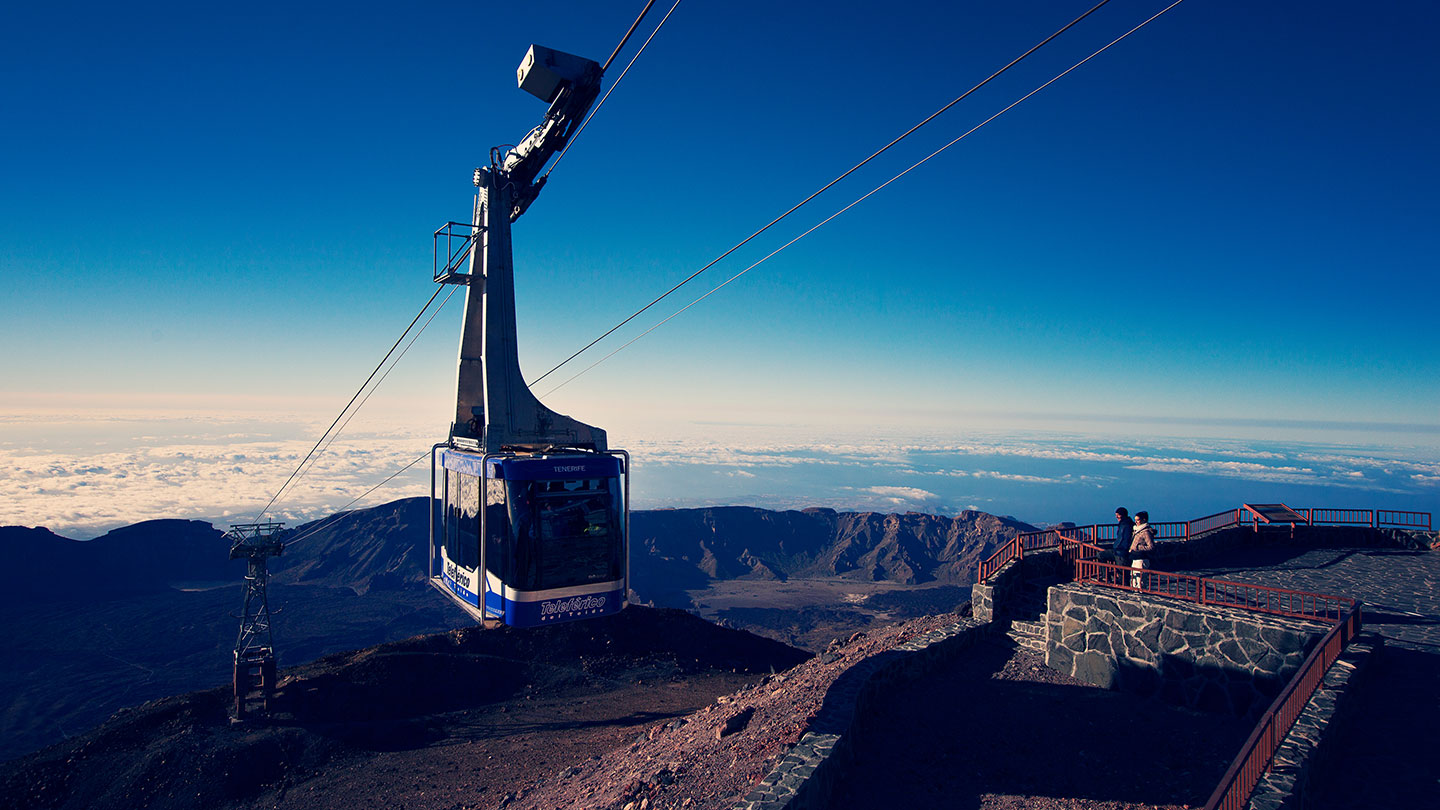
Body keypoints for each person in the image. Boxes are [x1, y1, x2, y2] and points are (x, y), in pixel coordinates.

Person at [1130, 510, 1155, 588]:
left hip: (1141, 558)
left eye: (1138, 520)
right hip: (1135, 557)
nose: (1136, 522)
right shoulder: (1136, 530)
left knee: (1140, 580)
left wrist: (1138, 547)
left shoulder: (1146, 532)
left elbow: (1151, 546)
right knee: (1133, 579)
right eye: (1135, 520)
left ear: (1144, 520)